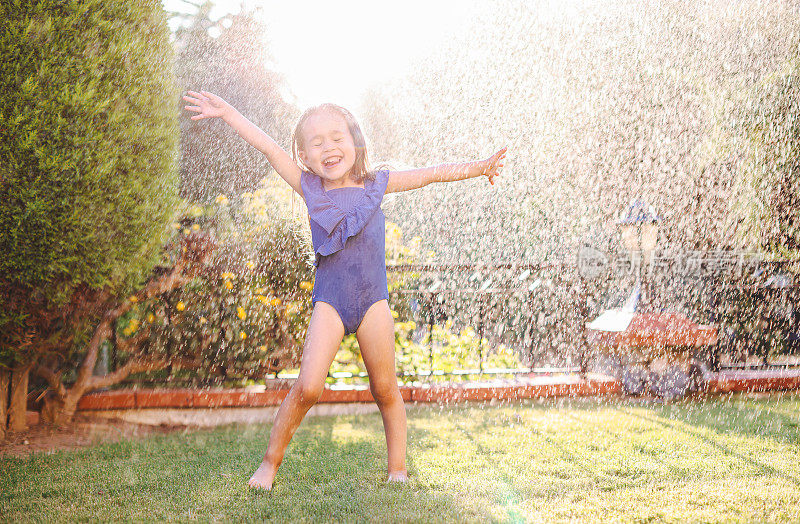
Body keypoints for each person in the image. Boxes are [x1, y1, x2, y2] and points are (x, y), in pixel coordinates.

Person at [182, 90, 506, 490]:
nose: (329, 148)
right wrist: (227, 111)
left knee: (385, 388)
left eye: (337, 137)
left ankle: (397, 470)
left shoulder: (378, 184)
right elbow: (266, 145)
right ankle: (268, 465)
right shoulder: (309, 187)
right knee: (308, 386)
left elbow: (432, 173)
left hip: (374, 303)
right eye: (316, 143)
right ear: (303, 154)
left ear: (355, 141)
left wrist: (480, 168)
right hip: (330, 303)